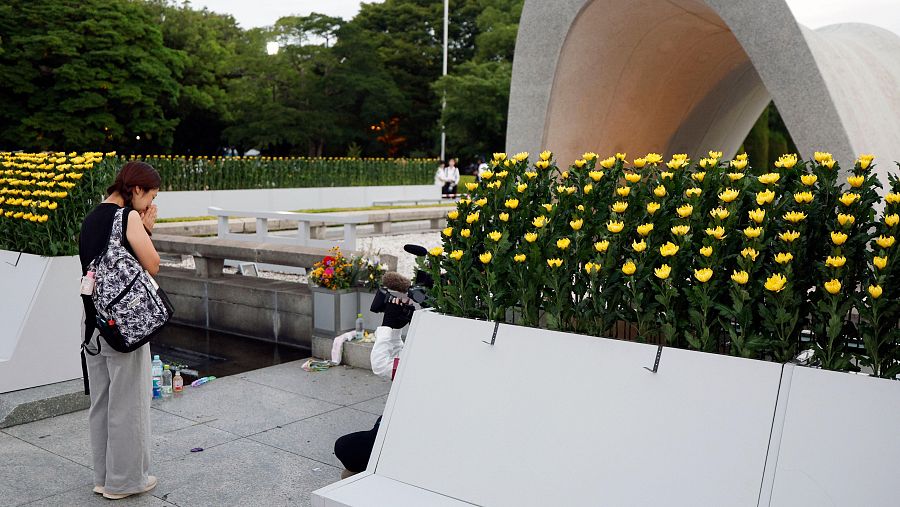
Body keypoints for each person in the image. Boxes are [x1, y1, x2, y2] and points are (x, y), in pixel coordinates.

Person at [78, 161, 161, 500]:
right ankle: (125, 482)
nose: (150, 205)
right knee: (128, 404)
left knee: (102, 403)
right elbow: (152, 264)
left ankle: (103, 477)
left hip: (91, 323)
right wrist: (147, 229)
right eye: (150, 196)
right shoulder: (126, 217)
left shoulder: (91, 217)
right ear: (136, 189)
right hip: (122, 325)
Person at [333, 272, 414, 478]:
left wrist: (387, 325)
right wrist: (395, 330)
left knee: (344, 449)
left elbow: (381, 366)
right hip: (401, 421)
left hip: (402, 429)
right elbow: (399, 361)